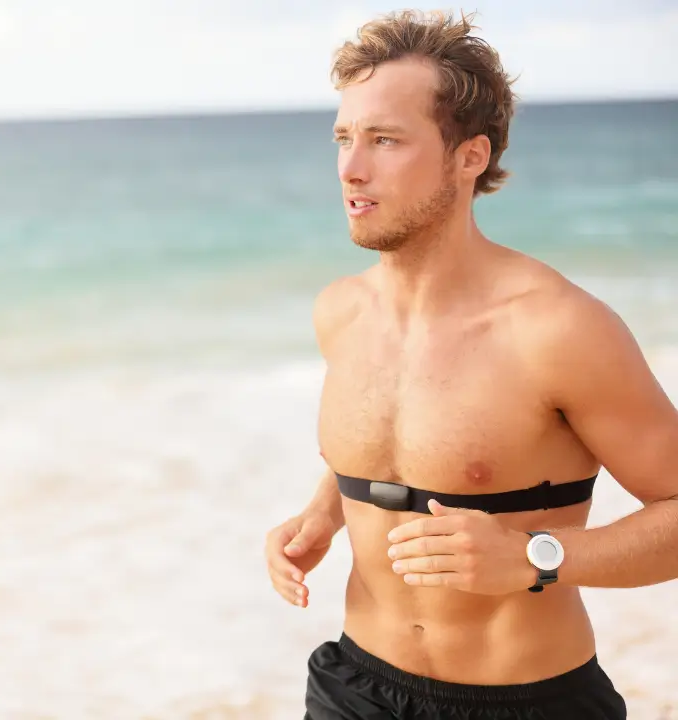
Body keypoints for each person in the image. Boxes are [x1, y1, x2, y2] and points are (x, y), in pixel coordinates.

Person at [263, 10, 678, 719]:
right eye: (344, 138)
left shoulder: (558, 329)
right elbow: (401, 447)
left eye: (385, 139)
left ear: (469, 157)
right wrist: (321, 514)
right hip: (354, 687)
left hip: (526, 702)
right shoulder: (341, 312)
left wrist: (536, 556)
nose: (351, 168)